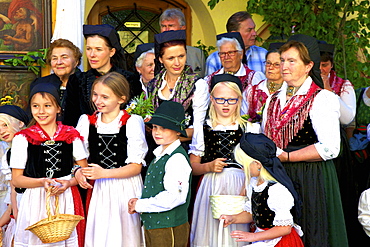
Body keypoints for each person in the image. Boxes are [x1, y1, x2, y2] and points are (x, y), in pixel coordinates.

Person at [262, 34, 348, 247]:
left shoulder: (321, 99)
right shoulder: (273, 100)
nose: (284, 66)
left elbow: (330, 148)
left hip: (311, 177)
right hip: (279, 175)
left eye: (292, 61)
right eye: (283, 60)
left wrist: (288, 156)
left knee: (311, 232)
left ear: (309, 65)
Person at [9, 83, 88, 246]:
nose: (41, 111)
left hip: (65, 197)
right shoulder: (22, 139)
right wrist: (41, 182)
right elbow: (16, 179)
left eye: (47, 106)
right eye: (35, 106)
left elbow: (84, 172)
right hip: (35, 199)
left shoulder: (71, 135)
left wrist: (68, 183)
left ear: (58, 108)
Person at [75, 72, 147, 246]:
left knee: (126, 234)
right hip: (99, 188)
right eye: (95, 95)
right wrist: (78, 172)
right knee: (102, 233)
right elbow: (79, 156)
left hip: (125, 186)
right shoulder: (87, 122)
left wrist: (104, 173)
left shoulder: (132, 122)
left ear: (121, 99)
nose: (98, 101)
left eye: (105, 97)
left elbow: (136, 166)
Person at [190, 74, 260, 247]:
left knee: (236, 229)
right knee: (209, 230)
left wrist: (247, 186)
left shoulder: (250, 128)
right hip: (211, 184)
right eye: (221, 99)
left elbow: (258, 165)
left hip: (240, 184)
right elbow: (192, 167)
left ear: (239, 100)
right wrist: (208, 166)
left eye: (231, 100)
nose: (226, 104)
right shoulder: (204, 128)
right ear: (212, 100)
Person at [220, 132, 303, 246]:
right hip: (262, 238)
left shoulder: (276, 190)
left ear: (257, 164)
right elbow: (254, 213)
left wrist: (253, 236)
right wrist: (233, 218)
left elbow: (285, 228)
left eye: (243, 165)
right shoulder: (254, 184)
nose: (242, 168)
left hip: (280, 242)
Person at [128, 100, 192, 247]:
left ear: (177, 131)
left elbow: (174, 197)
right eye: (155, 127)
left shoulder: (177, 158)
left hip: (169, 228)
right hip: (156, 227)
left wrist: (141, 205)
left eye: (164, 128)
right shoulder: (160, 155)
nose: (157, 132)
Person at [64, 24, 142, 127]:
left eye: (98, 49)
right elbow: (70, 119)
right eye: (88, 49)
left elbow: (135, 115)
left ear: (112, 52)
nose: (92, 55)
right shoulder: (77, 80)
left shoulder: (130, 79)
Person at [319, 42, 358, 245]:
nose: (321, 69)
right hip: (312, 142)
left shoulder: (343, 84)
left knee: (337, 192)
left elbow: (348, 116)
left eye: (325, 64)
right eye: (318, 65)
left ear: (331, 65)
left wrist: (327, 90)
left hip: (337, 146)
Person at [147, 30, 209, 145]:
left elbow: (199, 127)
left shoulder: (197, 84)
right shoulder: (153, 85)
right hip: (156, 148)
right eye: (171, 58)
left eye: (181, 56)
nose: (177, 63)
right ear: (160, 59)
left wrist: (169, 139)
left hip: (186, 147)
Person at [205, 32, 265, 115]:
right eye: (223, 53)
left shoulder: (254, 78)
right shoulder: (209, 80)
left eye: (231, 53)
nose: (226, 57)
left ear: (241, 54)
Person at [30, 38, 82, 122]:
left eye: (64, 57)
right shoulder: (40, 84)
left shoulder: (85, 83)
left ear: (76, 62)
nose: (59, 62)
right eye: (54, 58)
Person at [0, 105, 29, 246]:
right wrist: (15, 215)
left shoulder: (33, 147)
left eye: (5, 125)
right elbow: (14, 195)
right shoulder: (8, 155)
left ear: (21, 123)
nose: (1, 131)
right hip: (19, 212)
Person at [206, 11, 267, 75]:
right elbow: (210, 84)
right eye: (249, 30)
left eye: (254, 29)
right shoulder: (214, 59)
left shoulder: (263, 55)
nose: (254, 33)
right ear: (234, 34)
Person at [159, 8, 205, 77]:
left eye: (171, 26)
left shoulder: (197, 53)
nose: (167, 30)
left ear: (183, 28)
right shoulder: (152, 53)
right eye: (163, 26)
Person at [243, 49, 285, 121]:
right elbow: (242, 119)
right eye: (268, 63)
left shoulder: (291, 92)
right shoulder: (251, 92)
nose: (271, 67)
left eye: (276, 64)